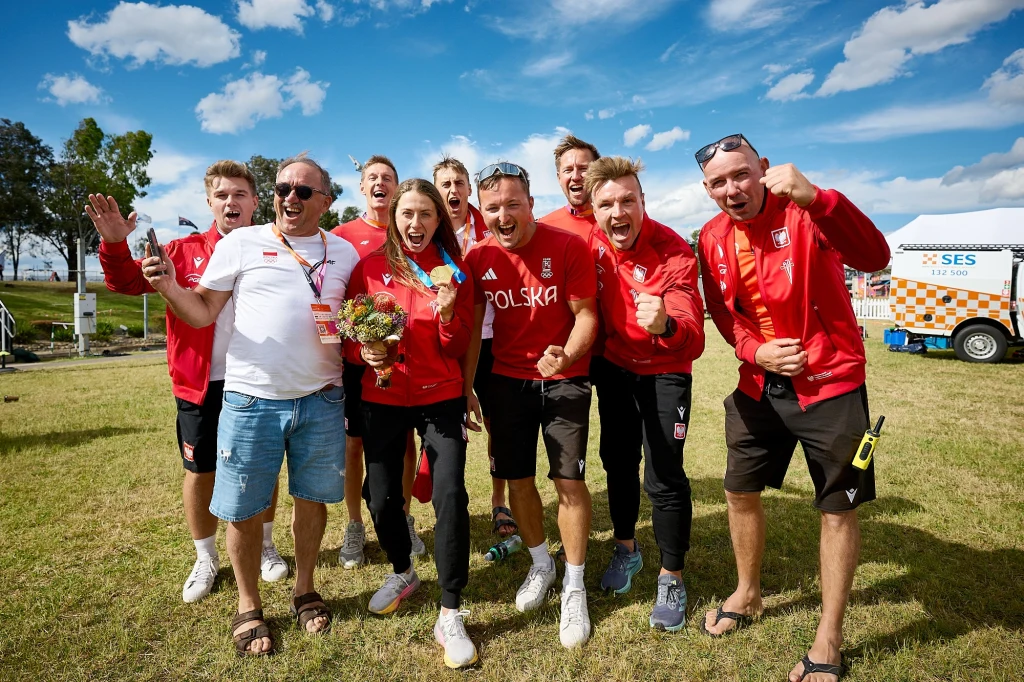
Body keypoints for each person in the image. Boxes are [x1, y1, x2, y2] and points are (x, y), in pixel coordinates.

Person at [143, 153, 359, 657]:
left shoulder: (344, 252)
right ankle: (248, 604)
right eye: (283, 188)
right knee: (243, 508)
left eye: (303, 191)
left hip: (322, 399)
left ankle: (305, 589)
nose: (290, 197)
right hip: (251, 400)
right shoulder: (241, 242)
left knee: (311, 500)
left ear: (326, 201)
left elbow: (352, 318)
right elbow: (203, 312)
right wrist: (169, 285)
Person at [694, 134, 890, 682]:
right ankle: (747, 591)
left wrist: (821, 199)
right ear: (707, 190)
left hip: (829, 385)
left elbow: (875, 257)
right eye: (717, 183)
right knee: (739, 490)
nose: (731, 190)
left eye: (740, 175)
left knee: (837, 507)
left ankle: (830, 634)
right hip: (758, 384)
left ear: (763, 168)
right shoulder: (711, 236)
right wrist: (754, 350)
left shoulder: (807, 210)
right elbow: (723, 312)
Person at [89, 160, 289, 605]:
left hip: (258, 381)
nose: (231, 201)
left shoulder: (272, 248)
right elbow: (126, 282)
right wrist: (115, 243)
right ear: (209, 203)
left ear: (255, 202)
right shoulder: (183, 250)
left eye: (240, 194)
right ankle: (205, 556)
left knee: (261, 467)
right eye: (222, 195)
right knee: (201, 471)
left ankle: (265, 544)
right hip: (201, 385)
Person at [463, 162, 598, 649]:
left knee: (568, 481)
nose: (503, 215)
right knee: (517, 479)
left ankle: (574, 585)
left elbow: (587, 316)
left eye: (512, 204)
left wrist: (567, 355)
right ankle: (542, 564)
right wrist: (466, 386)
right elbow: (473, 328)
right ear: (482, 212)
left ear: (531, 204)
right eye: (493, 208)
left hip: (565, 379)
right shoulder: (478, 257)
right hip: (506, 382)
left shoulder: (568, 245)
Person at [346, 178, 478, 668]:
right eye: (407, 213)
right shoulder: (369, 268)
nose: (415, 223)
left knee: (450, 494)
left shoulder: (454, 272)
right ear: (394, 218)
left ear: (438, 219)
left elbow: (457, 344)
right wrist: (363, 351)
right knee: (380, 496)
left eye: (426, 214)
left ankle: (450, 611)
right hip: (382, 394)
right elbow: (349, 334)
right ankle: (403, 570)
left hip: (440, 395)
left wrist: (448, 314)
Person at [586, 157, 705, 632]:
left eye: (627, 201)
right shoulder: (591, 243)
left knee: (664, 475)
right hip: (615, 369)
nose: (618, 212)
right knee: (617, 461)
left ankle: (672, 576)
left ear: (642, 201)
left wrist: (666, 324)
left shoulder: (673, 250)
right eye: (607, 204)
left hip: (665, 372)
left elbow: (693, 335)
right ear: (594, 210)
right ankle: (626, 549)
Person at [332, 155, 426, 566]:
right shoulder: (341, 237)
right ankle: (354, 524)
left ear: (397, 188)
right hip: (358, 364)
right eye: (372, 177)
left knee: (404, 444)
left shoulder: (411, 234)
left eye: (387, 177)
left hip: (405, 363)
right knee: (354, 445)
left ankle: (403, 517)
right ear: (362, 187)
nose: (379, 183)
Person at [432, 155, 517, 539]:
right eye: (445, 184)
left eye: (459, 182)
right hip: (448, 340)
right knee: (448, 426)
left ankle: (500, 501)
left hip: (494, 340)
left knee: (498, 423)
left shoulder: (494, 224)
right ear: (437, 191)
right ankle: (451, 502)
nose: (453, 190)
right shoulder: (427, 231)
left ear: (469, 189)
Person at [538, 135, 601, 242]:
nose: (575, 177)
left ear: (597, 173)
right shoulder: (542, 228)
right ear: (559, 178)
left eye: (583, 168)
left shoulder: (615, 223)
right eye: (568, 170)